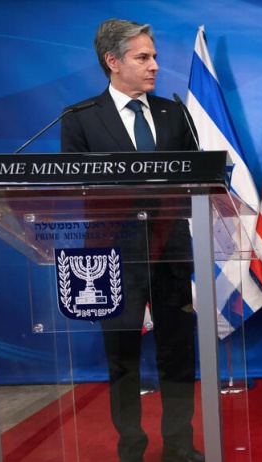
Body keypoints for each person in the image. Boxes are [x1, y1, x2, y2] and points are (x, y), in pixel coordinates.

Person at [60, 19, 204, 462]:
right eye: (143, 57)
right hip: (111, 257)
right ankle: (131, 448)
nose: (154, 66)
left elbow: (198, 179)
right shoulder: (80, 118)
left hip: (171, 251)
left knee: (178, 353)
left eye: (154, 56)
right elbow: (74, 188)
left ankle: (179, 445)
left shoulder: (174, 113)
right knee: (122, 357)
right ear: (113, 61)